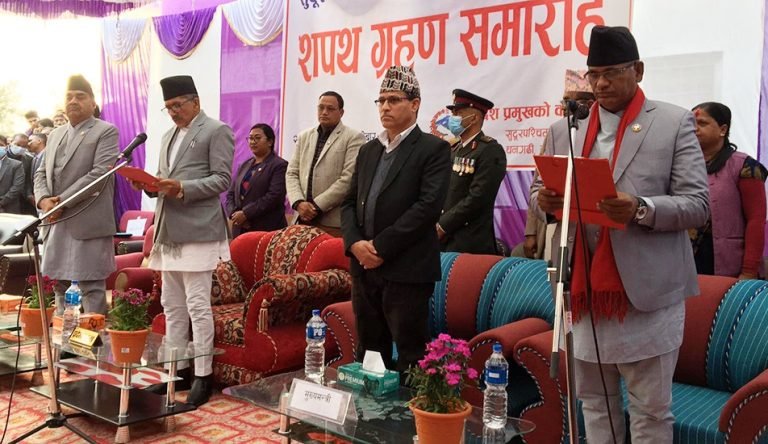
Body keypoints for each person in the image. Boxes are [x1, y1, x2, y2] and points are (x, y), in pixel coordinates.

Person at [531, 26, 709, 443]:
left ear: (638, 70)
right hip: (583, 291)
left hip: (646, 295)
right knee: (594, 404)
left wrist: (641, 208)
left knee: (650, 413)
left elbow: (698, 204)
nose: (601, 84)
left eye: (612, 72)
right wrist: (545, 201)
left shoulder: (672, 122)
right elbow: (539, 190)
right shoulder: (565, 129)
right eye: (594, 74)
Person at [340, 65, 451, 374]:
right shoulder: (368, 150)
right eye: (381, 100)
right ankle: (369, 406)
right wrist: (355, 244)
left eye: (394, 100)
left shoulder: (434, 149)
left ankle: (408, 408)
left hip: (406, 269)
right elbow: (348, 202)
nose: (385, 107)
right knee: (369, 353)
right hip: (364, 268)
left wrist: (378, 247)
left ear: (415, 104)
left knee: (410, 356)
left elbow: (427, 208)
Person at [130, 75, 233, 407]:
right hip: (169, 231)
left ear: (195, 102)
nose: (173, 112)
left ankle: (203, 375)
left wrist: (182, 188)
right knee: (171, 305)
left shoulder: (216, 130)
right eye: (168, 107)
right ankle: (175, 371)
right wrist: (150, 187)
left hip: (199, 229)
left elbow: (222, 180)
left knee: (198, 306)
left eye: (178, 105)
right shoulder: (167, 136)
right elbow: (165, 180)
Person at [34, 74, 118, 316]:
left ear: (93, 103)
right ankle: (64, 337)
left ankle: (92, 339)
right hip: (55, 221)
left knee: (91, 286)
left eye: (80, 97)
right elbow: (40, 172)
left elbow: (99, 174)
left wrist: (61, 203)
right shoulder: (55, 134)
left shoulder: (105, 131)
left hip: (87, 221)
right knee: (59, 284)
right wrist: (43, 200)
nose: (73, 101)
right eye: (69, 97)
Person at [513, 69, 595, 259]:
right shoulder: (557, 133)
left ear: (590, 105)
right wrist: (530, 232)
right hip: (555, 223)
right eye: (564, 101)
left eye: (571, 102)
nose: (565, 107)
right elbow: (538, 184)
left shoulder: (602, 136)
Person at [690, 101, 767, 278]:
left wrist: (749, 271)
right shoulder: (683, 166)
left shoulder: (745, 166)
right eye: (691, 124)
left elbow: (756, 220)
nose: (694, 129)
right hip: (686, 262)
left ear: (723, 130)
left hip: (730, 264)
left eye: (702, 123)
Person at [287, 91, 365, 237]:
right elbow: (292, 173)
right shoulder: (304, 136)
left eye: (330, 108)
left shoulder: (353, 138)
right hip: (301, 220)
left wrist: (315, 207)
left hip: (332, 223)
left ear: (341, 112)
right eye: (321, 107)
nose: (324, 112)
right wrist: (299, 203)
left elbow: (348, 179)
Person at [437, 89, 506, 254]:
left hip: (470, 242)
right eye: (453, 113)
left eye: (458, 113)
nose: (452, 118)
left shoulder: (490, 150)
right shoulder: (454, 149)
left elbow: (478, 198)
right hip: (444, 241)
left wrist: (443, 225)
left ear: (474, 118)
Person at [226, 123, 288, 237]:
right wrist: (235, 215)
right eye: (250, 138)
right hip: (240, 228)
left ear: (270, 142)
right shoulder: (244, 165)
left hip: (266, 229)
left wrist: (246, 214)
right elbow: (231, 194)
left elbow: (274, 196)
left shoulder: (279, 165)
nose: (253, 142)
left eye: (257, 138)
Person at [7, 133, 36, 215]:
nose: (20, 148)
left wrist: (29, 195)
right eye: (17, 144)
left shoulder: (29, 159)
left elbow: (27, 181)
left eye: (24, 146)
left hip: (21, 199)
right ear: (11, 142)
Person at [0, 142, 25, 214]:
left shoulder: (16, 165)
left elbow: (18, 186)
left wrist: (2, 202)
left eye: (1, 145)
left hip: (9, 208)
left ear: (6, 146)